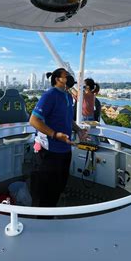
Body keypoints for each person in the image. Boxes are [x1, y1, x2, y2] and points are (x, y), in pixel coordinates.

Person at [29, 68, 87, 207]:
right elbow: (34, 120)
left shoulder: (67, 96)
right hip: (48, 152)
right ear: (57, 79)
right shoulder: (49, 95)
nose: (69, 77)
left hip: (65, 149)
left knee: (58, 186)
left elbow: (67, 118)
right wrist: (55, 135)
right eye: (66, 76)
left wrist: (78, 130)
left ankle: (52, 215)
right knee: (45, 192)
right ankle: (41, 222)